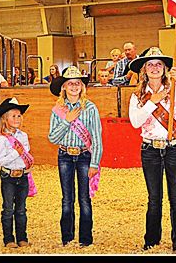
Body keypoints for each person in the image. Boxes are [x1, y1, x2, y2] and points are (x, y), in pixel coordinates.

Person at [128, 47, 176, 252]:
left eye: (159, 64)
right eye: (150, 64)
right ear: (144, 69)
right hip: (150, 150)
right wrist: (151, 103)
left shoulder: (175, 90)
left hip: (174, 149)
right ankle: (151, 240)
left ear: (165, 69)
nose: (155, 68)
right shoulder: (137, 96)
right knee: (154, 198)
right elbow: (135, 122)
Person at [48, 66, 103, 247]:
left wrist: (95, 163)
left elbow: (96, 137)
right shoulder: (58, 109)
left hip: (84, 156)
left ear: (82, 87)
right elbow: (52, 137)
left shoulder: (90, 108)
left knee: (85, 198)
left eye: (77, 83)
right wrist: (67, 120)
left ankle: (86, 240)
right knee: (67, 198)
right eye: (70, 83)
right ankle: (67, 238)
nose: (73, 87)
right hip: (64, 155)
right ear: (63, 87)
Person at [0, 97, 33, 249]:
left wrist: (20, 155)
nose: (17, 118)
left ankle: (22, 237)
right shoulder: (1, 140)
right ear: (5, 119)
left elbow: (26, 153)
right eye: (13, 116)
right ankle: (8, 239)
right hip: (8, 177)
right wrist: (16, 153)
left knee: (21, 209)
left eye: (19, 115)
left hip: (23, 175)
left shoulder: (23, 136)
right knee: (8, 209)